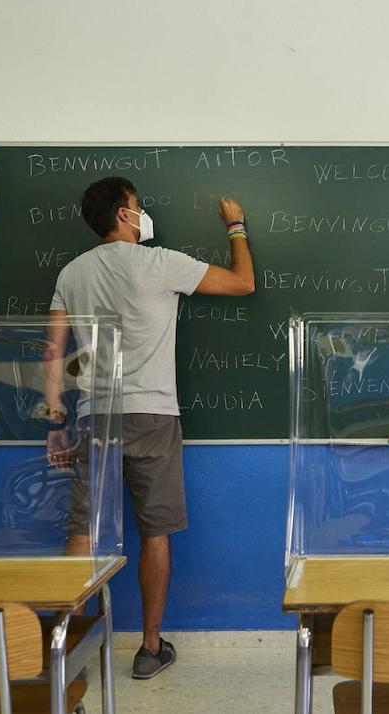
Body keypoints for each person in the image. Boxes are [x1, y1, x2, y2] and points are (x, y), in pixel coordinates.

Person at [44, 176, 254, 679]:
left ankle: (60, 647)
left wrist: (55, 418)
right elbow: (243, 282)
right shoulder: (160, 263)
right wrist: (236, 227)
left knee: (82, 530)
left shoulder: (71, 273)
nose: (142, 212)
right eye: (137, 205)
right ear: (123, 214)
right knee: (155, 532)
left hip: (95, 415)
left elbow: (52, 351)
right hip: (155, 413)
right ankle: (149, 648)